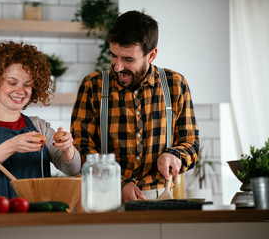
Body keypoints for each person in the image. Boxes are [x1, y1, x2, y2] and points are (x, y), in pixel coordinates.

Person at [70, 11, 200, 204]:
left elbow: (192, 144)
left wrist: (175, 155)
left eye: (128, 60)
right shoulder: (93, 86)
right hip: (106, 196)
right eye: (114, 56)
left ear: (152, 55)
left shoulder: (175, 85)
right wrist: (118, 183)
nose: (118, 67)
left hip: (160, 198)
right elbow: (80, 148)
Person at [0, 41, 81, 199]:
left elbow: (72, 169)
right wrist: (12, 145)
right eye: (12, 83)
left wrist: (67, 148)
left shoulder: (39, 126)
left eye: (27, 85)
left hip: (34, 215)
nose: (21, 91)